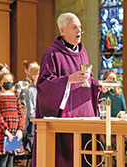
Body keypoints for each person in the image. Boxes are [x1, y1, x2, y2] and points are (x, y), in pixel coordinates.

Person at [34, 12, 100, 167]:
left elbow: (87, 79)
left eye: (80, 28)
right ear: (62, 31)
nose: (79, 31)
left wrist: (99, 85)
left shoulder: (83, 52)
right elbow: (44, 84)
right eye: (74, 27)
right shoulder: (52, 54)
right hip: (65, 118)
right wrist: (68, 80)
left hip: (85, 114)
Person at [0, 73, 25, 167]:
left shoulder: (15, 96)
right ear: (0, 83)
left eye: (10, 81)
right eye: (5, 81)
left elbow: (21, 114)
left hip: (15, 131)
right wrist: (6, 131)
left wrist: (20, 129)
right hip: (3, 132)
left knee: (11, 159)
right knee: (3, 160)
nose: (8, 83)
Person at [24, 64, 40, 152]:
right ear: (34, 76)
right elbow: (31, 111)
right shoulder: (31, 91)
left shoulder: (41, 89)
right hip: (33, 125)